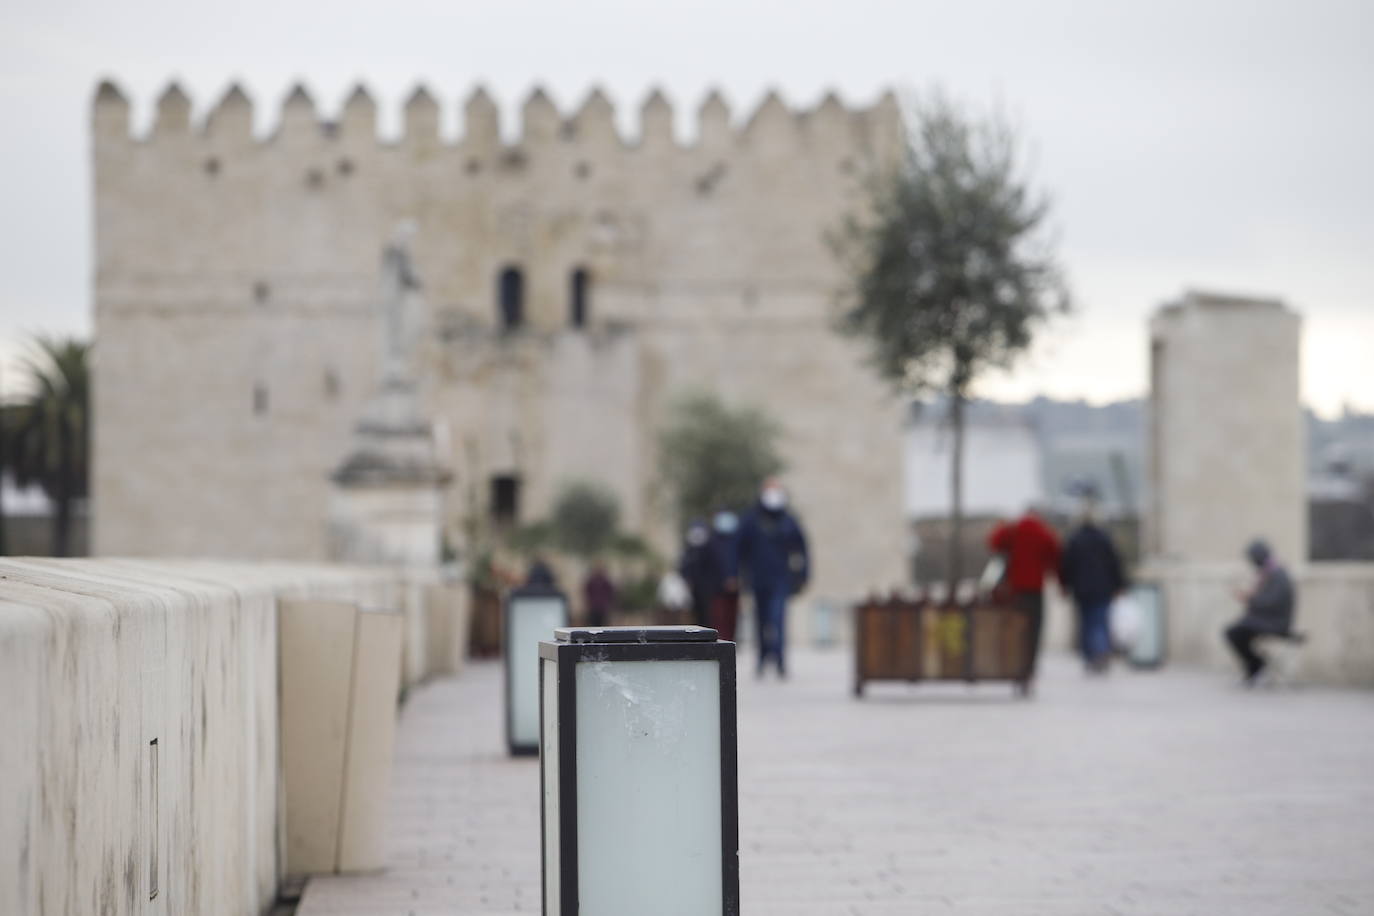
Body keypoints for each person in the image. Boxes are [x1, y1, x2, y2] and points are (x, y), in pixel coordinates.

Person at [737, 479, 809, 678]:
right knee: (760, 620)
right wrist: (737, 575)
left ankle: (779, 659)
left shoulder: (788, 520)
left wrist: (803, 575)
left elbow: (802, 549)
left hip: (781, 579)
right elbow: (739, 549)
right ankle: (761, 658)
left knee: (778, 619)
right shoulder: (751, 519)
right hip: (757, 578)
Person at [988, 504, 1061, 690]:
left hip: (1014, 590)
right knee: (1033, 631)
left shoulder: (1013, 529)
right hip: (1035, 590)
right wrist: (1060, 582)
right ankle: (1029, 669)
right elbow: (1056, 556)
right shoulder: (1044, 532)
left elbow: (993, 542)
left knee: (1016, 631)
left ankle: (1016, 667)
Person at [1059, 507, 1127, 673]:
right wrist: (1120, 585)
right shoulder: (1104, 539)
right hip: (1103, 588)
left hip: (1082, 589)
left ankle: (1090, 655)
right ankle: (1101, 652)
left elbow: (1067, 565)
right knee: (1100, 622)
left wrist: (1065, 585)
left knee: (1086, 623)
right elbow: (1115, 564)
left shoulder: (1075, 539)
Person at [1224, 538, 1296, 685]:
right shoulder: (1268, 573)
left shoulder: (1278, 575)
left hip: (1277, 623)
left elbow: (1271, 602)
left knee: (1236, 631)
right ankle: (1255, 665)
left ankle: (1256, 665)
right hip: (1266, 620)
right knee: (1236, 631)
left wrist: (1250, 599)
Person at [678, 520, 720, 628]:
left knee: (707, 615)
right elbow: (684, 567)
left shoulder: (711, 547)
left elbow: (715, 567)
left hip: (707, 588)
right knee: (695, 615)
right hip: (693, 589)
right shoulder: (689, 548)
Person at [710, 509, 742, 641]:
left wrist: (736, 579)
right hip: (716, 587)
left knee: (731, 618)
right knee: (719, 617)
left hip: (734, 587)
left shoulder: (738, 540)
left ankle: (730, 641)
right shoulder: (712, 541)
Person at [581, 563, 617, 628]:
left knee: (603, 626)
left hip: (603, 608)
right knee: (593, 625)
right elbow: (587, 592)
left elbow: (611, 594)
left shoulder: (605, 581)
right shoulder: (592, 581)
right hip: (593, 608)